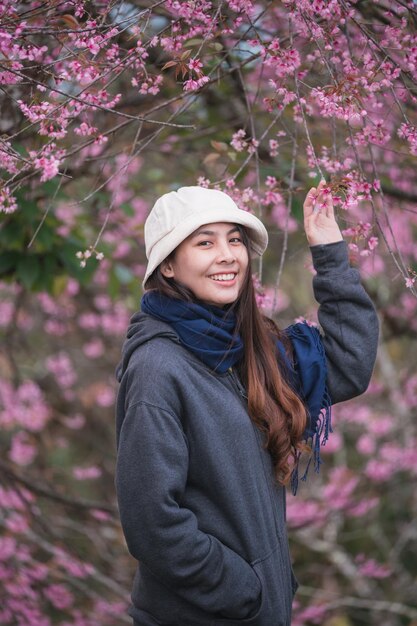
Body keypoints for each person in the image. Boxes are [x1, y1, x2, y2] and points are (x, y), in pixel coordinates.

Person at [115, 182, 378, 626]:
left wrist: (330, 254)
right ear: (170, 267)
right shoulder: (158, 369)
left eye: (234, 239)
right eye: (204, 242)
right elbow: (152, 522)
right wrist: (242, 591)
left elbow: (349, 364)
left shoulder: (251, 351)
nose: (227, 254)